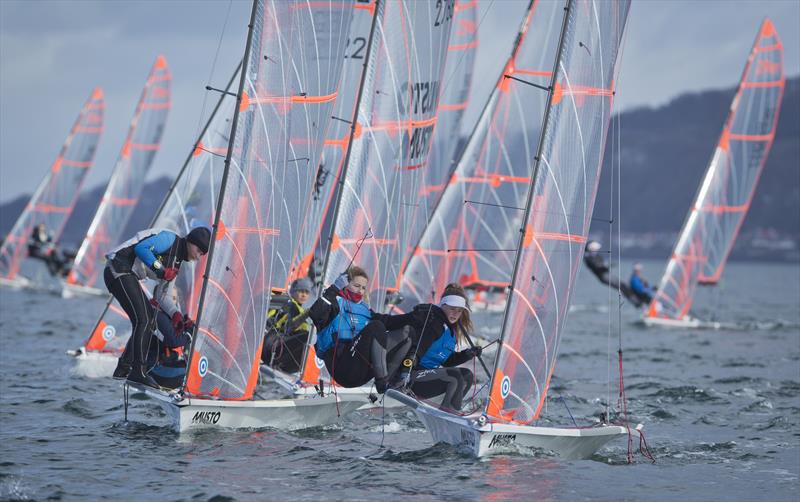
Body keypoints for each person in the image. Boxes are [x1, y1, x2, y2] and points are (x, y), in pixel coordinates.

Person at [105, 226, 210, 387]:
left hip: (126, 275)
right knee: (145, 320)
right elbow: (142, 248)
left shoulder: (176, 262)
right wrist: (160, 270)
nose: (198, 257)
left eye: (202, 254)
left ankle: (124, 368)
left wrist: (175, 314)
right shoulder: (170, 239)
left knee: (148, 322)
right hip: (118, 268)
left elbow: (162, 295)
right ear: (190, 241)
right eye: (199, 251)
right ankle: (138, 372)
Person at [373, 283, 481, 412]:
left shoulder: (451, 331)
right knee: (455, 376)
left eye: (459, 311)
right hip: (410, 377)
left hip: (427, 377)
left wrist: (467, 354)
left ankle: (451, 411)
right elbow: (416, 351)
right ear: (443, 306)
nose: (455, 314)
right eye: (452, 309)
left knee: (467, 376)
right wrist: (404, 374)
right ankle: (448, 416)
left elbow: (446, 361)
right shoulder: (433, 323)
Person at [307, 266, 411, 393]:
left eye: (363, 288)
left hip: (361, 370)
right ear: (345, 284)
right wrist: (334, 288)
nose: (360, 291)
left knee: (407, 332)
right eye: (356, 286)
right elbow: (315, 313)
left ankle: (397, 383)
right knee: (376, 326)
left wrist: (413, 317)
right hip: (343, 368)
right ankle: (383, 384)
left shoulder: (364, 309)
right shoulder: (333, 304)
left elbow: (388, 321)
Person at [261, 277, 314, 373]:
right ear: (293, 292)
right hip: (273, 347)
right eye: (300, 291)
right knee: (308, 337)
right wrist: (308, 313)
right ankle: (281, 365)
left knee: (311, 337)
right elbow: (289, 327)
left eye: (306, 292)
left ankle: (295, 369)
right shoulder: (290, 305)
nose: (303, 295)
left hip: (278, 347)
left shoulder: (298, 308)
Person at [583, 240, 642, 307]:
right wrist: (606, 265)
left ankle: (637, 300)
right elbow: (597, 266)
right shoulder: (588, 259)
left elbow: (601, 264)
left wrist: (607, 265)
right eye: (595, 249)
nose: (597, 250)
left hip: (607, 274)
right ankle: (636, 302)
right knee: (622, 287)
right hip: (603, 276)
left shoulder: (596, 256)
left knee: (624, 286)